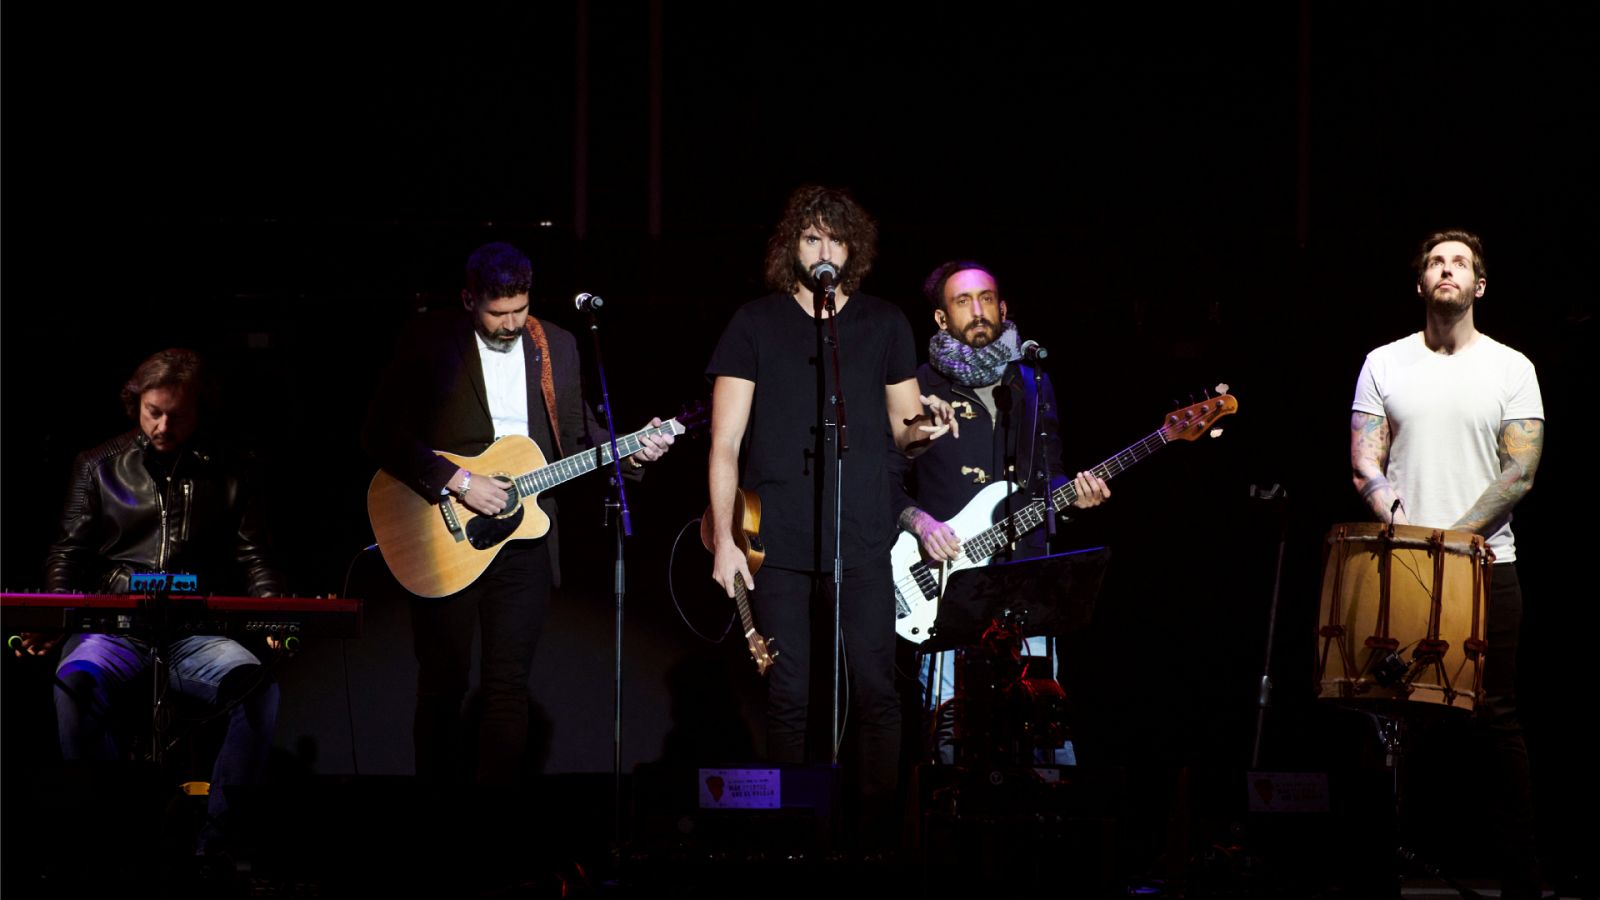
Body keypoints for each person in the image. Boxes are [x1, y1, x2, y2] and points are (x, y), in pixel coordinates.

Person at [363, 241, 672, 787]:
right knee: (443, 685)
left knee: (507, 687)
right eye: (497, 312)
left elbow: (576, 434)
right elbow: (380, 433)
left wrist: (633, 452)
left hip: (526, 536)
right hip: (444, 534)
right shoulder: (429, 340)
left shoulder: (557, 345)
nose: (510, 324)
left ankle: (497, 819)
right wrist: (459, 481)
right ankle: (433, 814)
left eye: (520, 310)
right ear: (469, 299)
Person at [705, 185, 956, 847]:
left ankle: (875, 838)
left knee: (876, 690)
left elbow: (905, 431)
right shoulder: (754, 323)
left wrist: (927, 428)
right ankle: (787, 840)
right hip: (779, 539)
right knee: (787, 694)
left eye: (835, 239)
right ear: (792, 245)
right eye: (811, 236)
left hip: (864, 536)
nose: (824, 249)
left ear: (853, 249)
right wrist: (725, 540)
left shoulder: (883, 323)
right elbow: (725, 442)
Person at [25, 347, 285, 856]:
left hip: (197, 630)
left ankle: (217, 848)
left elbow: (255, 555)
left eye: (177, 415)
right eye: (153, 412)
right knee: (75, 683)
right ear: (136, 404)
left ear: (199, 411)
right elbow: (67, 552)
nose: (163, 426)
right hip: (115, 628)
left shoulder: (234, 468)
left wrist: (273, 610)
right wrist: (56, 612)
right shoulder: (98, 465)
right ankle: (111, 838)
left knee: (257, 689)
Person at [1350, 229, 1545, 898]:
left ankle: (1521, 881)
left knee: (1496, 718)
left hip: (1486, 566)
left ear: (1478, 285)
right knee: (1386, 714)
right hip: (1400, 564)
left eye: (1460, 262)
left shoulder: (1512, 367)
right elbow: (1365, 461)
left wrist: (1453, 540)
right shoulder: (1383, 362)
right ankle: (1376, 878)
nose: (1447, 269)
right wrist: (1406, 528)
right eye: (1436, 261)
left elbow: (1520, 470)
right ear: (1420, 283)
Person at [892, 260, 1109, 763]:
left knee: (1041, 730)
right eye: (963, 301)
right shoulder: (915, 386)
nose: (978, 310)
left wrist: (1074, 496)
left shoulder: (1033, 382)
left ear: (1004, 308)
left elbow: (1048, 476)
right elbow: (882, 481)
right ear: (941, 318)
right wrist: (919, 523)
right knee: (950, 733)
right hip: (946, 583)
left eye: (986, 298)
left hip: (1027, 580)